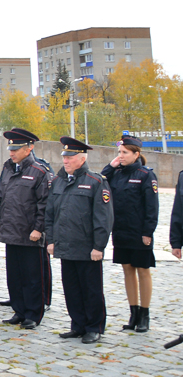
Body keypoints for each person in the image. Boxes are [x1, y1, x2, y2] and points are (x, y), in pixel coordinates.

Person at [45, 136, 113, 344]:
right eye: (64, 157)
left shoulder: (96, 182)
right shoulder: (58, 181)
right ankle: (78, 324)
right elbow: (50, 214)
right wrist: (51, 240)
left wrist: (98, 246)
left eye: (70, 157)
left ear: (82, 159)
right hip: (65, 245)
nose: (65, 161)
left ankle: (94, 327)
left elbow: (104, 217)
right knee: (71, 289)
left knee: (91, 289)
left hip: (86, 247)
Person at [100, 135, 158, 333]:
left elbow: (152, 207)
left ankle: (144, 314)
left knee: (142, 270)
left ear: (136, 154)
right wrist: (111, 165)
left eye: (125, 152)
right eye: (119, 152)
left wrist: (148, 232)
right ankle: (133, 312)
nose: (121, 156)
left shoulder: (145, 175)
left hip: (139, 231)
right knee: (127, 269)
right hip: (121, 230)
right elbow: (100, 181)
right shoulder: (116, 173)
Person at [0, 127, 52, 329]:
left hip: (30, 234)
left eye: (16, 149)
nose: (12, 152)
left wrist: (39, 228)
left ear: (29, 149)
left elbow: (44, 204)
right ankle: (19, 311)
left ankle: (32, 314)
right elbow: (1, 198)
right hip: (11, 231)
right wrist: (1, 221)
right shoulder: (8, 169)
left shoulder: (39, 172)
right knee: (15, 276)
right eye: (10, 148)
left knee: (32, 277)